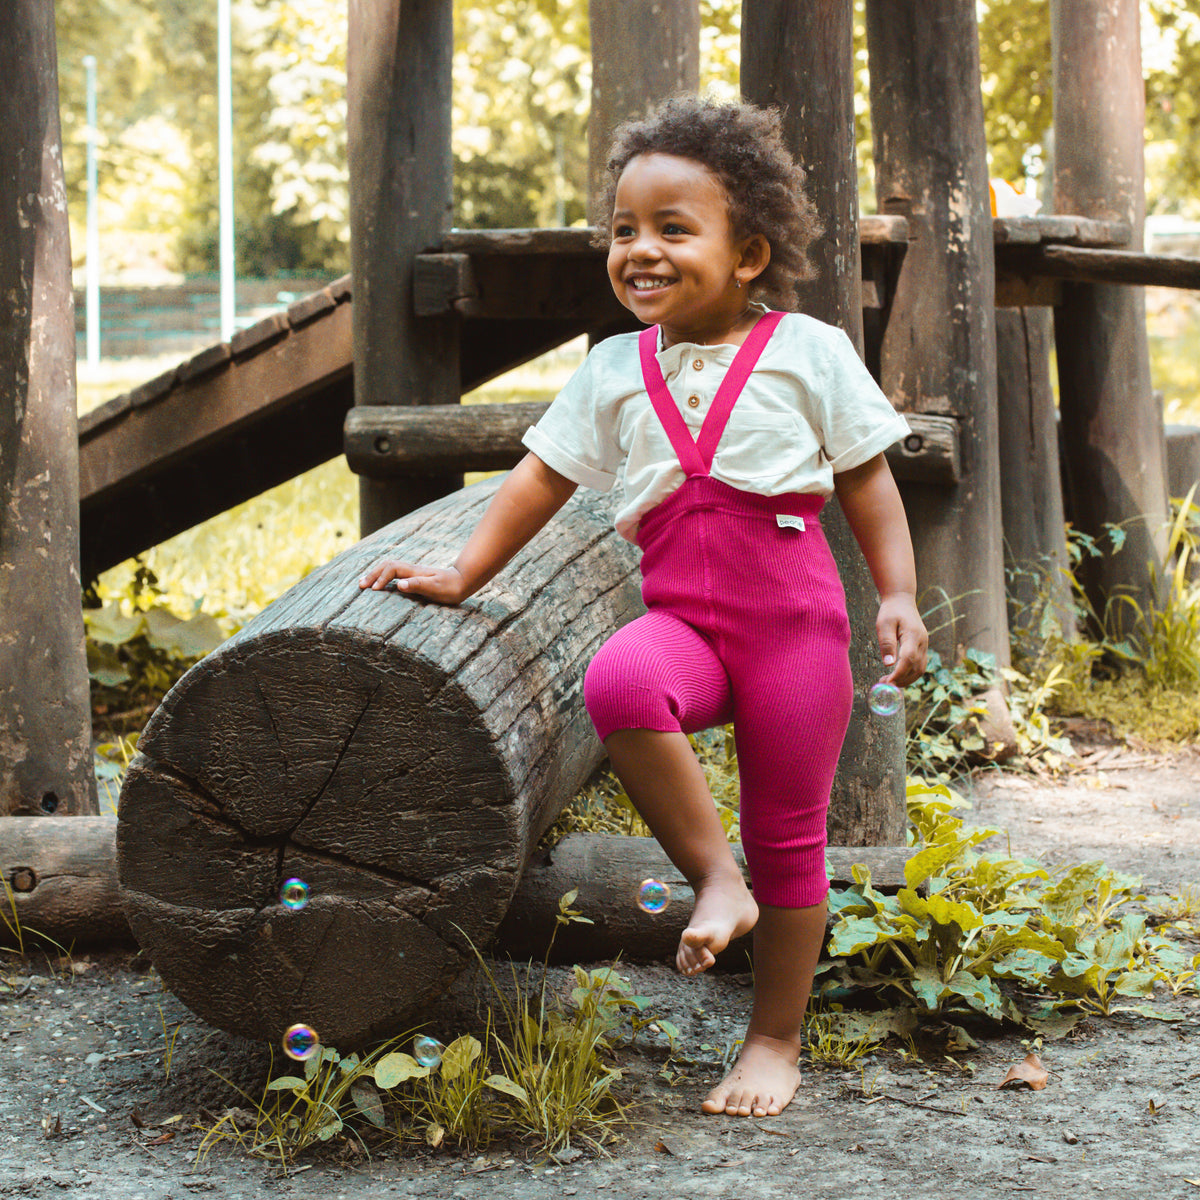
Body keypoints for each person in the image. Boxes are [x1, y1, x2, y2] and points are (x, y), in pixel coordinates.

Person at [359, 95, 928, 1119]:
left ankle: (773, 1039)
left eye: (674, 229)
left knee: (790, 836)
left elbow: (869, 480)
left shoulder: (807, 350)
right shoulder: (614, 370)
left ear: (749, 252)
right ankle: (716, 878)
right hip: (688, 631)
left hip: (795, 633)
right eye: (625, 230)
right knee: (618, 675)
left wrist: (898, 594)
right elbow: (537, 480)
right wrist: (460, 574)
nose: (641, 251)